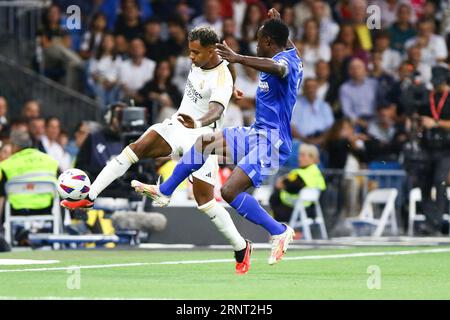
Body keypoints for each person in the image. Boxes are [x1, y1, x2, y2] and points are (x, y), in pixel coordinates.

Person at [61, 27, 252, 275]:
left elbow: (215, 111)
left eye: (196, 53)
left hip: (203, 139)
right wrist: (236, 89)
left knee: (205, 202)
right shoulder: (213, 60)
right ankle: (90, 196)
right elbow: (230, 63)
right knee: (134, 149)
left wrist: (219, 100)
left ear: (210, 50)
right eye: (189, 51)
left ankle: (240, 247)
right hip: (177, 125)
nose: (191, 57)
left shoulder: (221, 78)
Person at [134, 9, 303, 265]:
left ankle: (279, 231)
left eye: (259, 39)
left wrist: (238, 58)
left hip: (272, 141)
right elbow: (283, 40)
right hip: (256, 132)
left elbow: (278, 68)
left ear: (268, 42)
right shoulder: (292, 53)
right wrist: (277, 21)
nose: (256, 44)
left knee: (229, 191)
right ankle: (164, 191)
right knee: (205, 142)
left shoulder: (284, 63)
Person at [0, 131, 59, 241]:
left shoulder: (5, 165)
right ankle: (60, 233)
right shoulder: (51, 161)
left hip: (17, 210)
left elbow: (1, 197)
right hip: (46, 208)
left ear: (15, 146)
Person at [269, 144, 326, 223]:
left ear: (312, 158)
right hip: (311, 212)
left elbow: (289, 186)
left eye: (303, 156)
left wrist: (282, 182)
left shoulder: (300, 174)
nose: (299, 158)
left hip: (293, 212)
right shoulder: (318, 174)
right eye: (299, 155)